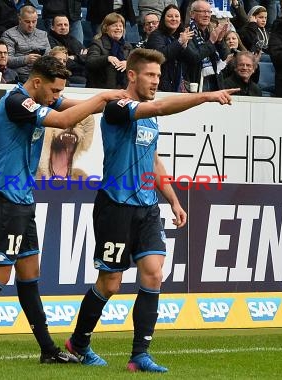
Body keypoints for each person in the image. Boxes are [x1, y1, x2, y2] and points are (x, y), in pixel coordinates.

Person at [0, 55, 128, 366]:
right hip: (3, 198)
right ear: (37, 83)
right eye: (53, 92)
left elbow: (75, 107)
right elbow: (66, 120)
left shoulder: (40, 96)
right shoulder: (16, 101)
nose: (56, 98)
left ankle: (47, 349)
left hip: (22, 199)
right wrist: (104, 95)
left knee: (29, 275)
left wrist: (117, 101)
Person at [64, 48, 238, 373]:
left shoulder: (149, 114)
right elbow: (157, 106)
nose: (156, 81)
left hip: (147, 206)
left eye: (158, 76)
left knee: (154, 274)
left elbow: (153, 160)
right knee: (110, 283)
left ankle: (140, 354)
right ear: (132, 75)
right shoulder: (117, 107)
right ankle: (79, 342)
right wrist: (205, 97)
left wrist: (172, 198)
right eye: (150, 75)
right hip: (115, 205)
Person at [145, 4, 194, 92]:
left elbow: (191, 59)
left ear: (180, 20)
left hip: (177, 83)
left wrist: (184, 46)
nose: (174, 19)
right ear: (163, 19)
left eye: (176, 16)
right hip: (159, 85)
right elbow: (160, 56)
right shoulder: (155, 35)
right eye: (170, 16)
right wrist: (179, 42)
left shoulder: (180, 36)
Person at [185, 0, 230, 91]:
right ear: (192, 14)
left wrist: (220, 41)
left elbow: (225, 56)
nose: (207, 15)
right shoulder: (186, 32)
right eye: (202, 11)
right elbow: (194, 56)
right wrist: (211, 41)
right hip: (195, 81)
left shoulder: (211, 31)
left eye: (209, 12)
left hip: (215, 79)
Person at [1, 5, 51, 83]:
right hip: (18, 75)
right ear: (20, 19)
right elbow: (5, 59)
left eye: (34, 21)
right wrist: (25, 59)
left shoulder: (43, 34)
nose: (31, 25)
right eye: (27, 22)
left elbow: (49, 58)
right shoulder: (8, 35)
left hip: (40, 75)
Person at [86, 12, 133, 89]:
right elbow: (90, 62)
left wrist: (128, 64)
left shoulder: (127, 46)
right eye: (115, 26)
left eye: (121, 26)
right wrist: (107, 58)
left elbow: (137, 66)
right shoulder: (97, 43)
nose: (118, 28)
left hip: (123, 89)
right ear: (106, 28)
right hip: (100, 89)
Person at [47, 14, 86, 85]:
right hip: (59, 75)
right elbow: (61, 61)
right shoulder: (48, 40)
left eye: (66, 25)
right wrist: (80, 59)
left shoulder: (73, 40)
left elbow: (87, 56)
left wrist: (74, 57)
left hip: (76, 73)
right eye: (59, 25)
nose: (63, 27)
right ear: (52, 27)